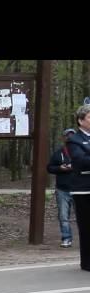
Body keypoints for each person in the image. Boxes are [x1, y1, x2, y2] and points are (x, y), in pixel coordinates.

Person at [65, 104, 90, 272]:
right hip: (84, 189)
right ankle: (87, 262)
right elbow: (80, 162)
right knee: (87, 227)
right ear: (81, 121)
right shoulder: (74, 140)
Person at [47, 128, 76, 248]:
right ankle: (66, 238)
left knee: (83, 216)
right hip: (62, 189)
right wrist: (60, 168)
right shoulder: (58, 153)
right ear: (63, 138)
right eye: (67, 136)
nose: (69, 138)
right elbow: (49, 168)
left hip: (79, 188)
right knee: (63, 216)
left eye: (72, 136)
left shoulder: (83, 151)